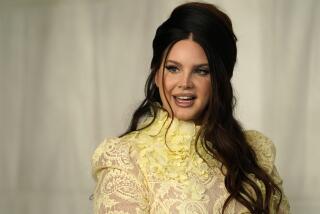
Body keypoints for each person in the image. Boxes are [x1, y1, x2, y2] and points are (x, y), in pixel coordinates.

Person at [91, 2, 290, 213]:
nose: (185, 82)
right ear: (157, 74)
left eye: (202, 71)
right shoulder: (126, 158)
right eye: (173, 68)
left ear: (220, 80)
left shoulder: (255, 152)